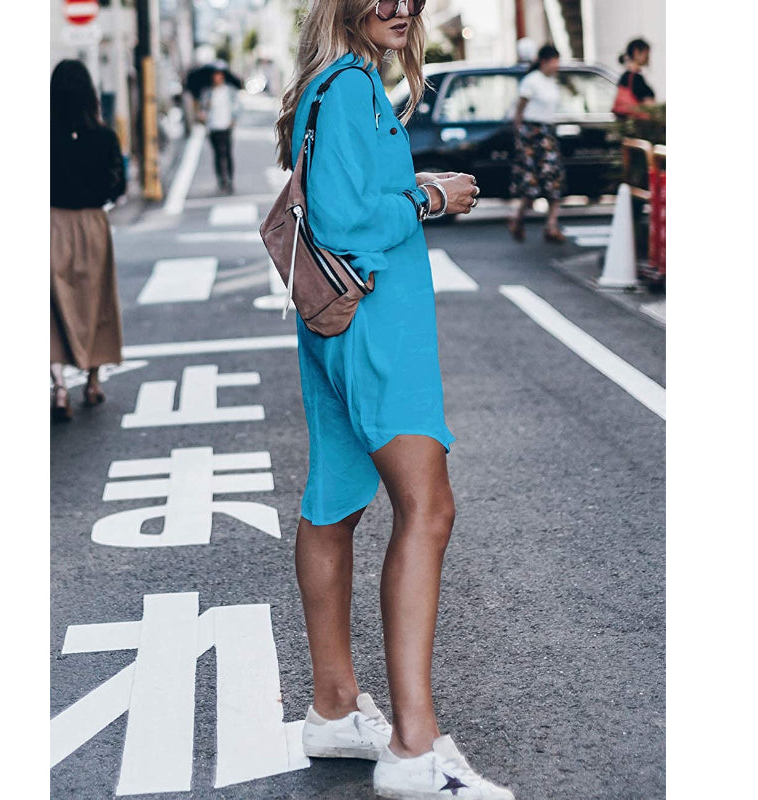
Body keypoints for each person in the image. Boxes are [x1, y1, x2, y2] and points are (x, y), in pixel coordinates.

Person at [274, 1, 514, 798]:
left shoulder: (331, 82)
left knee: (334, 504)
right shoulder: (350, 85)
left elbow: (343, 195)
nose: (400, 7)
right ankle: (415, 747)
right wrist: (430, 198)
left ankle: (334, 707)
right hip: (378, 325)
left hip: (335, 323)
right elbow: (346, 217)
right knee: (428, 509)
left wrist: (411, 187)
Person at [50, 59, 126, 421]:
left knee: (53, 306)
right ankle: (93, 382)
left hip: (51, 222)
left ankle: (59, 386)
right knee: (96, 301)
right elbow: (118, 185)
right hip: (93, 223)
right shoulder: (105, 137)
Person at [508, 44, 566, 244]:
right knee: (530, 183)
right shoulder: (531, 81)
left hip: (547, 133)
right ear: (544, 61)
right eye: (554, 61)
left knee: (554, 178)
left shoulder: (552, 82)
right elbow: (519, 110)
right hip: (531, 135)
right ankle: (518, 219)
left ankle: (551, 225)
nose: (556, 65)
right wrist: (520, 136)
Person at [200, 68, 241, 193]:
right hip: (213, 127)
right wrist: (205, 108)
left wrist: (234, 119)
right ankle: (221, 181)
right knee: (217, 154)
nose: (217, 78)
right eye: (215, 76)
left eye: (219, 76)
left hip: (226, 126)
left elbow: (237, 106)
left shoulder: (229, 91)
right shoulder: (207, 92)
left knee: (227, 153)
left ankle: (230, 180)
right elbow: (202, 109)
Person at [614, 38, 656, 119]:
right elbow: (648, 105)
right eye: (646, 54)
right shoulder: (635, 78)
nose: (648, 58)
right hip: (639, 122)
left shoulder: (626, 77)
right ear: (636, 52)